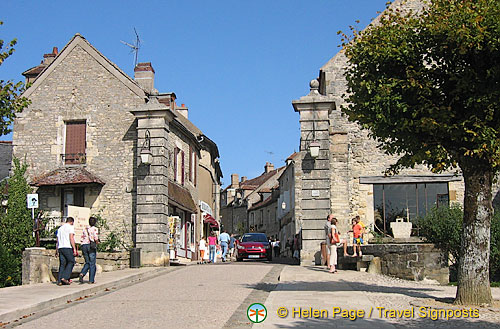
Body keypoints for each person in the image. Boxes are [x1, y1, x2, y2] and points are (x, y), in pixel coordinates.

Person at [56, 217, 78, 285]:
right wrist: (74, 248)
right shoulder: (70, 227)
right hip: (67, 247)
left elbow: (57, 241)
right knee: (71, 261)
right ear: (71, 222)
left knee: (62, 264)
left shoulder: (60, 229)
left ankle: (59, 280)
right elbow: (71, 237)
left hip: (60, 247)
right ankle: (65, 277)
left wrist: (56, 250)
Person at [79, 216, 99, 284]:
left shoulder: (85, 229)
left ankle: (82, 273)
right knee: (92, 263)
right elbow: (95, 238)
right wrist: (97, 242)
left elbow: (81, 238)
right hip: (90, 246)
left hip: (84, 245)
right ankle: (91, 280)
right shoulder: (95, 229)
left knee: (87, 262)